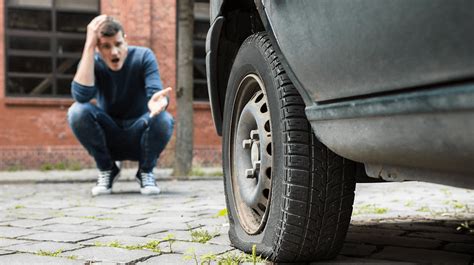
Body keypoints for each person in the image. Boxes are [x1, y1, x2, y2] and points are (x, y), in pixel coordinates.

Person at [67, 15, 174, 196]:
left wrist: (160, 102)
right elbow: (81, 96)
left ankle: (146, 171)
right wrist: (89, 46)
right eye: (106, 46)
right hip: (110, 135)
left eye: (118, 44)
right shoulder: (92, 61)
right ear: (98, 48)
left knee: (164, 118)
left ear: (125, 39)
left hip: (139, 133)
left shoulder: (143, 56)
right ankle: (107, 169)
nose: (114, 52)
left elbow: (156, 93)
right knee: (77, 111)